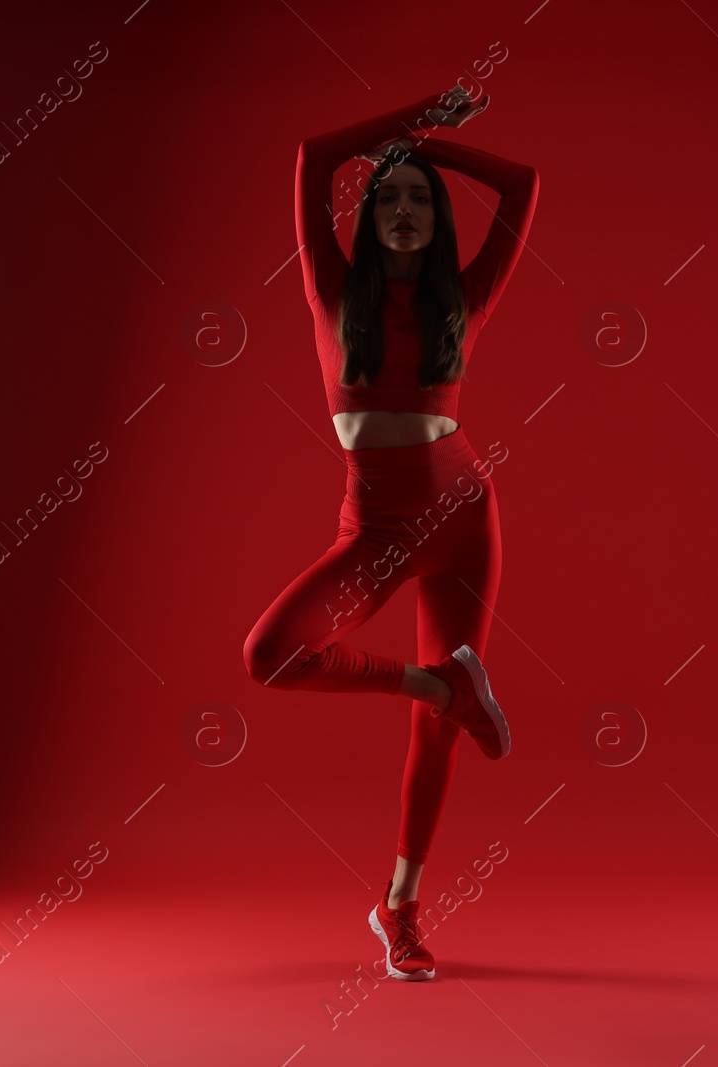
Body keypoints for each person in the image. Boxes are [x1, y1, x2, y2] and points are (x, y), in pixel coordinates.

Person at [242, 84, 539, 982]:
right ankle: (442, 685)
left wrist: (428, 150)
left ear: (437, 219)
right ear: (366, 218)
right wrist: (412, 122)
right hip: (371, 530)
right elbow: (312, 158)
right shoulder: (331, 288)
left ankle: (399, 908)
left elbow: (524, 185)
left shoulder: (465, 296)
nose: (404, 209)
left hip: (463, 516)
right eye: (388, 198)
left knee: (435, 735)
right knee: (273, 654)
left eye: (419, 199)